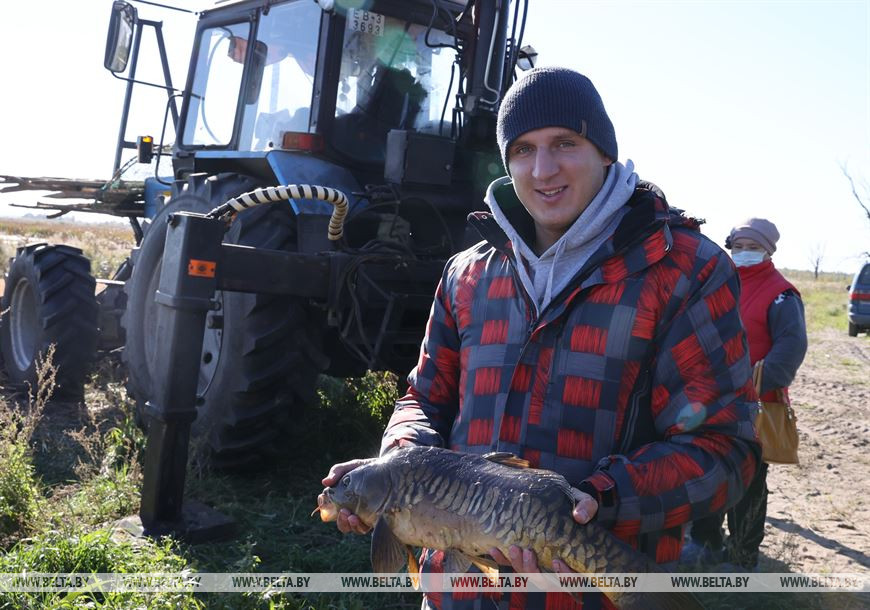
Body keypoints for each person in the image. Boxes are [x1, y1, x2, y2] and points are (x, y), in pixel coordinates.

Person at [323, 66, 761, 608]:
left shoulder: (684, 270)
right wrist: (396, 469)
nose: (543, 169)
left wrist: (600, 499)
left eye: (565, 143)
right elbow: (425, 399)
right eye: (523, 150)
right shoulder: (468, 273)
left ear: (605, 152)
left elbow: (724, 450)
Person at [683, 218, 807, 571]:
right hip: (711, 400)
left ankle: (742, 556)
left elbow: (790, 347)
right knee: (709, 470)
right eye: (738, 246)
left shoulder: (782, 294)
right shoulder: (720, 282)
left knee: (749, 480)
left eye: (752, 248)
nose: (743, 253)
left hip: (754, 405)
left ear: (768, 251)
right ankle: (706, 542)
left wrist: (753, 384)